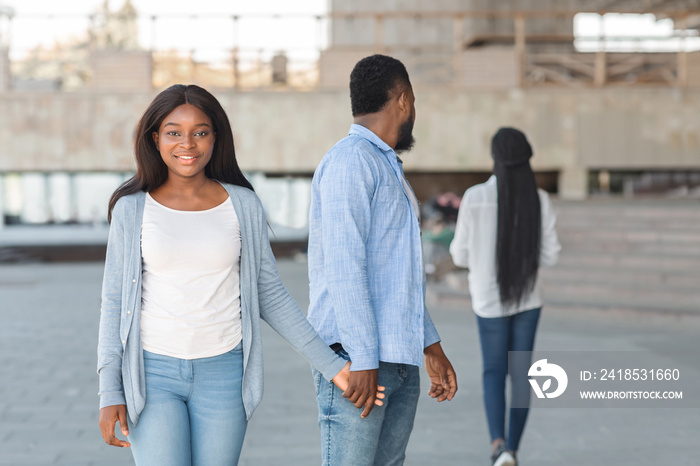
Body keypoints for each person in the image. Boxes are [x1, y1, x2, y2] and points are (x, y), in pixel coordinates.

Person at [96, 84, 383, 466]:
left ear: (216, 137)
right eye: (173, 132)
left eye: (200, 131)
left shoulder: (241, 204)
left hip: (225, 374)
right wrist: (109, 391)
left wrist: (333, 368)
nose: (188, 143)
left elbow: (271, 295)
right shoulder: (132, 209)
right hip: (152, 375)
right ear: (155, 138)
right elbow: (114, 302)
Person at [306, 54, 458, 466]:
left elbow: (397, 274)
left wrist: (431, 344)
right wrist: (365, 359)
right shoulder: (351, 162)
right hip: (359, 363)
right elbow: (345, 268)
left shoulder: (385, 164)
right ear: (405, 100)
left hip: (397, 358)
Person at [449, 127, 561, 466]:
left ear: (495, 159)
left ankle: (497, 447)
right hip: (528, 301)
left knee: (493, 373)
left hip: (488, 301)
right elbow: (551, 256)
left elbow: (459, 256)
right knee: (522, 375)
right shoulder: (539, 200)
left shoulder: (474, 198)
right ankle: (512, 449)